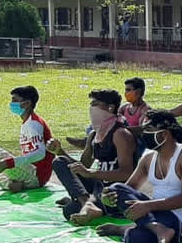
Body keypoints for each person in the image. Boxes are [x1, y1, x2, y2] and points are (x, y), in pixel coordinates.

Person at [96, 111, 182, 243]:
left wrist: (147, 206)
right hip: (154, 213)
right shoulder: (149, 156)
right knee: (116, 188)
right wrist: (109, 197)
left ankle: (123, 230)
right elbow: (127, 188)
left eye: (148, 130)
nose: (143, 134)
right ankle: (157, 229)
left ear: (164, 134)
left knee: (139, 240)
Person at [51, 90, 138, 225]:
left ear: (110, 107)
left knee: (70, 210)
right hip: (98, 186)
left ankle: (85, 203)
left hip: (116, 191)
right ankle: (86, 203)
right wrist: (59, 150)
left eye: (96, 104)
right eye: (91, 104)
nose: (92, 108)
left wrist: (91, 173)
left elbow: (127, 173)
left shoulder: (120, 134)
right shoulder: (94, 135)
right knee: (60, 162)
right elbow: (81, 167)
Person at [0, 86, 55, 192]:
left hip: (36, 175)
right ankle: (10, 184)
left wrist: (9, 163)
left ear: (27, 104)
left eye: (15, 100)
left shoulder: (34, 124)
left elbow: (40, 153)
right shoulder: (27, 122)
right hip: (28, 170)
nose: (11, 103)